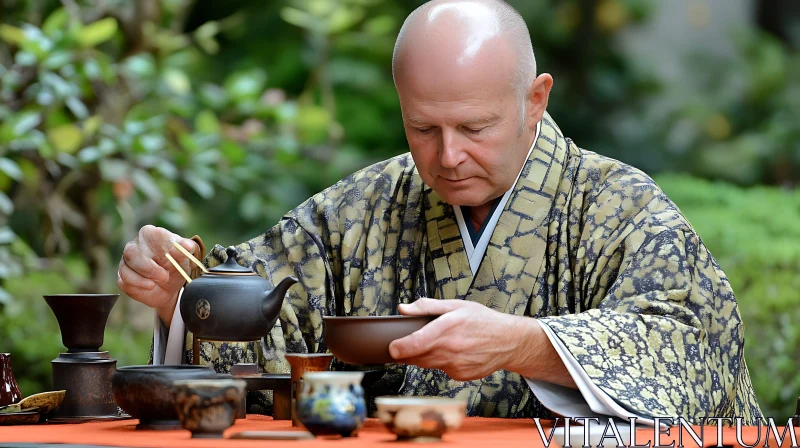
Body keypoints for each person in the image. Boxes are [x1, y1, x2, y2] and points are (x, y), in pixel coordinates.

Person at [118, 0, 763, 423]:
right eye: (422, 128)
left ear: (535, 101)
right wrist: (186, 295)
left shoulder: (617, 206)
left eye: (474, 127)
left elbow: (690, 348)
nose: (448, 156)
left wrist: (526, 344)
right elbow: (268, 317)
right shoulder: (366, 207)